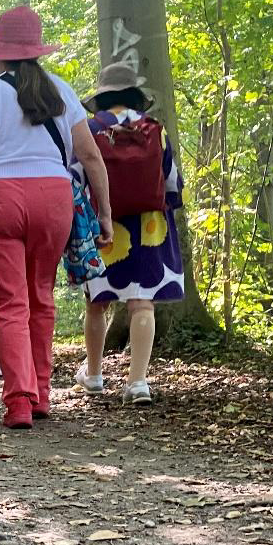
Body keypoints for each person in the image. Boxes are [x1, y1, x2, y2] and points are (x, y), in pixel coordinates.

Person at [0, 6, 112, 429]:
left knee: (11, 302)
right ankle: (42, 395)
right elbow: (90, 156)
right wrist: (104, 214)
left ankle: (18, 400)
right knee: (40, 296)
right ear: (36, 52)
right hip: (53, 202)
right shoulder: (62, 93)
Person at [76, 62, 185, 405]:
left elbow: (77, 176)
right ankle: (137, 382)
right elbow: (172, 181)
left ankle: (94, 375)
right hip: (149, 225)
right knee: (142, 303)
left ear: (102, 96)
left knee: (97, 301)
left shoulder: (90, 128)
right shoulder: (154, 128)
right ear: (135, 95)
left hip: (103, 225)